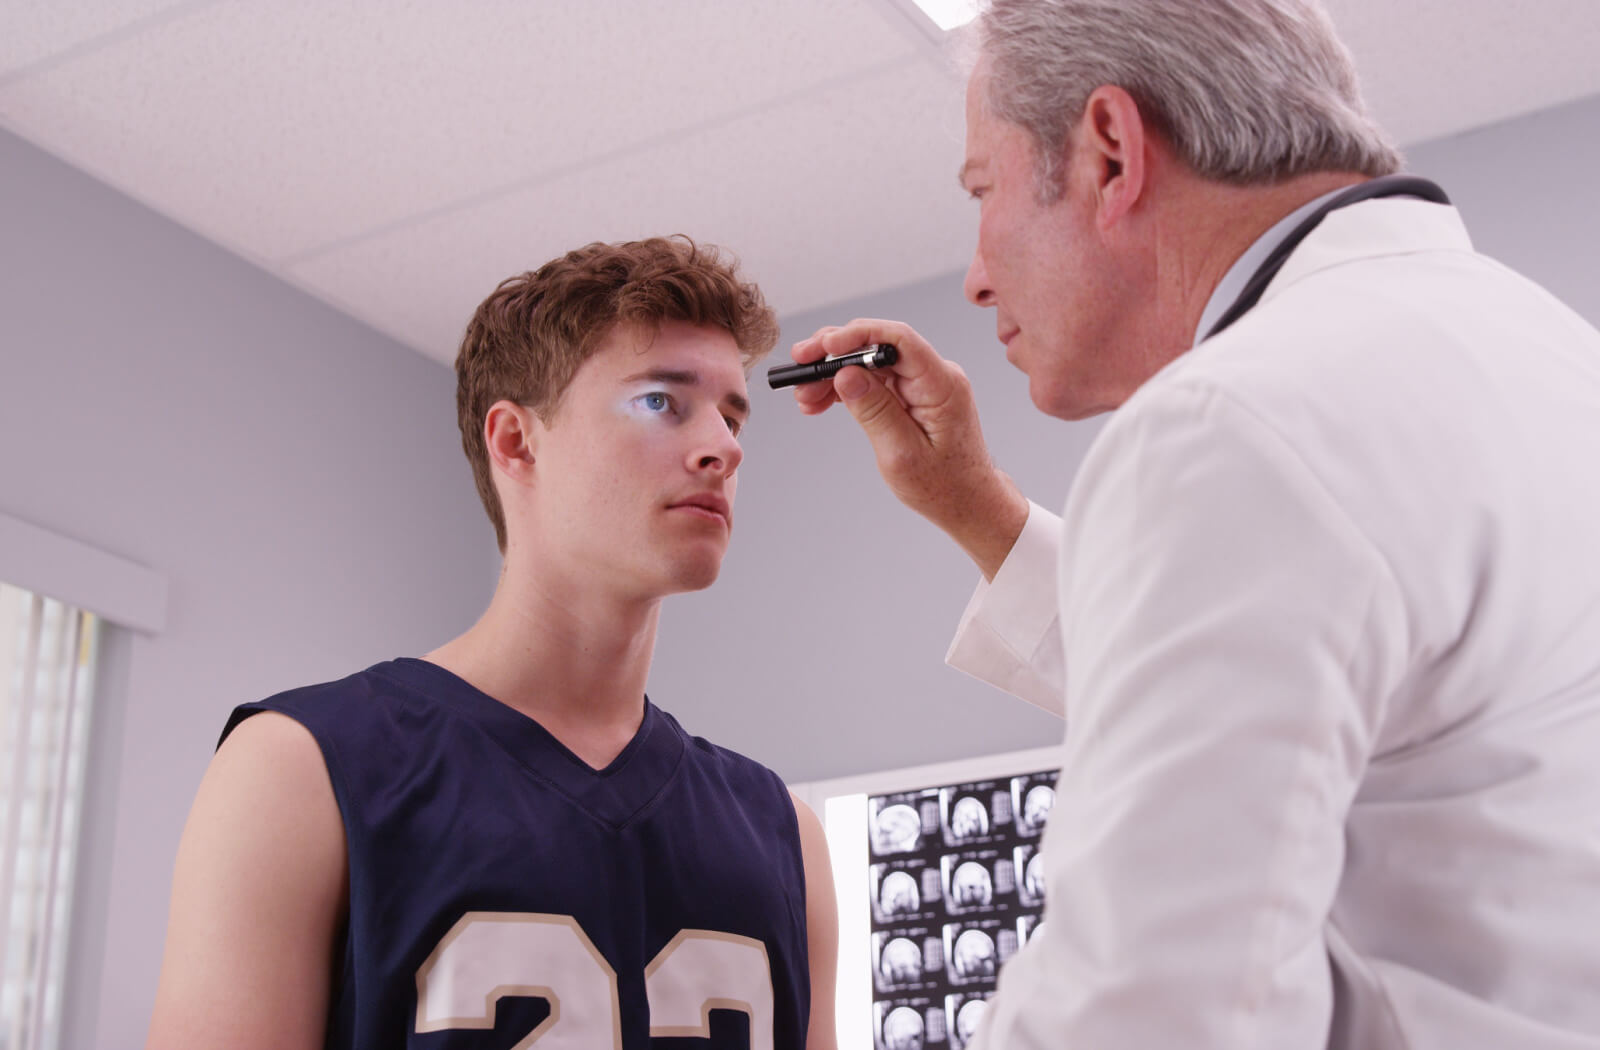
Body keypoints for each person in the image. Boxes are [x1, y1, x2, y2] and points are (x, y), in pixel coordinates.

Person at [788, 0, 1600, 1046]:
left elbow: (1151, 1010)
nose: (977, 274)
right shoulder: (1544, 351)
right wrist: (979, 512)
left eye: (983, 191)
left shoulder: (1235, 420)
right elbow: (1335, 706)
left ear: (1111, 153)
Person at [146, 236, 839, 1049]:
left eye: (732, 412)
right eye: (662, 401)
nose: (724, 446)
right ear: (516, 441)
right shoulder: (298, 770)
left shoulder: (786, 832)